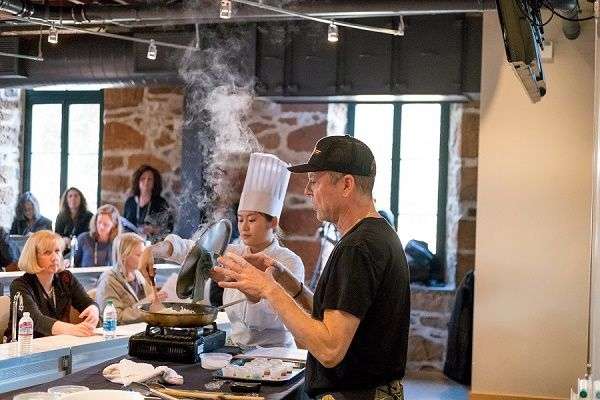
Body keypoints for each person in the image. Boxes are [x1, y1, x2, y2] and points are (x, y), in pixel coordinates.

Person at [214, 136, 411, 399]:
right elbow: (333, 317)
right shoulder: (377, 234)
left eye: (314, 181)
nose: (307, 191)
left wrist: (269, 289)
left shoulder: (357, 248)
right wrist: (287, 281)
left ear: (346, 185)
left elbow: (330, 348)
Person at [141, 153, 304, 348]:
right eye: (240, 219)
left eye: (252, 220)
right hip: (235, 351)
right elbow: (192, 251)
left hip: (277, 356)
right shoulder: (234, 253)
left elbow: (281, 320)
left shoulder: (288, 262)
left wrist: (246, 287)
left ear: (273, 222)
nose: (244, 227)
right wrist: (153, 250)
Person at [9, 230, 99, 338]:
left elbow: (86, 302)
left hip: (59, 344)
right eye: (47, 253)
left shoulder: (66, 278)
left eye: (57, 251)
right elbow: (36, 320)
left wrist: (94, 309)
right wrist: (74, 329)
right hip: (25, 346)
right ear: (33, 257)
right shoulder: (19, 285)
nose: (55, 257)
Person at [96, 233, 167, 324]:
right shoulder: (108, 281)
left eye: (144, 254)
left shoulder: (139, 275)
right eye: (138, 255)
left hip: (140, 329)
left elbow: (151, 306)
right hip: (120, 334)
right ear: (123, 256)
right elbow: (116, 317)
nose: (143, 258)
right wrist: (147, 302)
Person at [123, 165, 173, 243]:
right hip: (131, 245)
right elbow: (124, 225)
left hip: (153, 247)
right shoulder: (130, 202)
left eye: (149, 179)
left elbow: (169, 228)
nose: (146, 182)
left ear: (154, 183)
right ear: (138, 181)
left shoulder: (161, 203)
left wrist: (153, 229)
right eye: (143, 179)